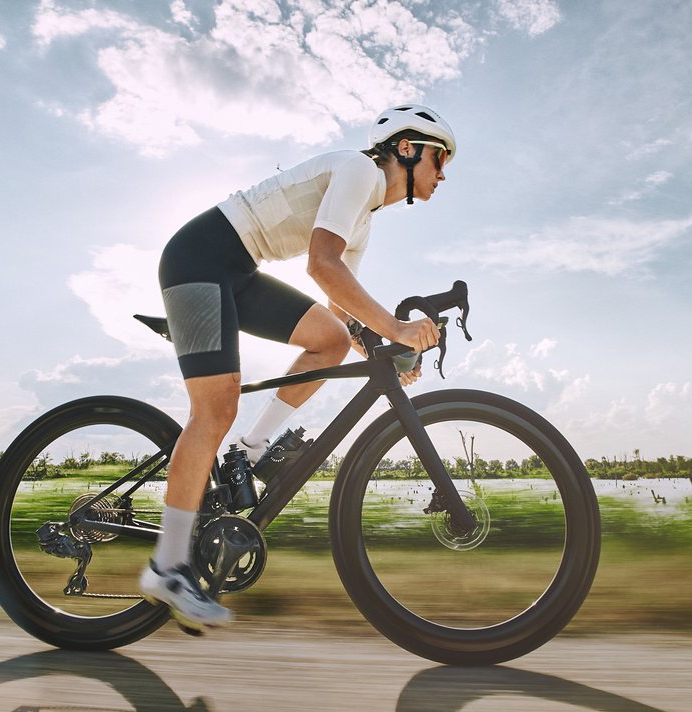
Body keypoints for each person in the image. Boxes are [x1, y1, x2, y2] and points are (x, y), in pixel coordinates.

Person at [139, 104, 456, 630]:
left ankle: (251, 448)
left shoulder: (364, 220)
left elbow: (340, 316)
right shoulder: (358, 170)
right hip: (198, 259)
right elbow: (320, 266)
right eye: (439, 160)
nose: (442, 174)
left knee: (327, 341)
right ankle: (167, 566)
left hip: (236, 270)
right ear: (406, 149)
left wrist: (386, 355)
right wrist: (398, 329)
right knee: (213, 411)